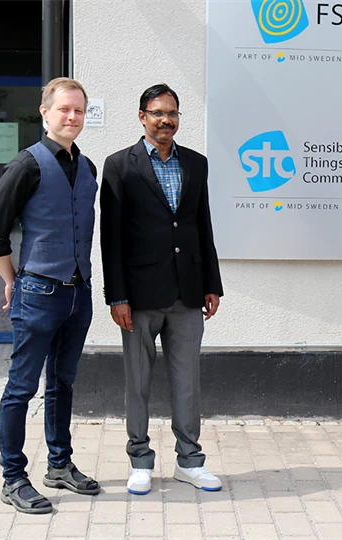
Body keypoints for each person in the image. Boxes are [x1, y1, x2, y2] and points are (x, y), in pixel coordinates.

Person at [0, 77, 100, 514]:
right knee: (21, 388)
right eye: (64, 109)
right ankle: (13, 478)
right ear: (45, 112)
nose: (72, 117)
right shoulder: (25, 166)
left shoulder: (88, 168)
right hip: (38, 292)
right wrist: (13, 279)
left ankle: (60, 465)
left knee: (63, 384)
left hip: (77, 294)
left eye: (79, 111)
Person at [100, 83, 224, 496]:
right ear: (142, 117)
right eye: (157, 113)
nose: (165, 120)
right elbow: (111, 237)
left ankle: (190, 461)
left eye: (172, 113)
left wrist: (211, 283)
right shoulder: (120, 165)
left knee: (187, 382)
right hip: (137, 296)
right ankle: (140, 460)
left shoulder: (196, 164)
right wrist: (116, 295)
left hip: (187, 292)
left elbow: (201, 225)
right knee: (138, 382)